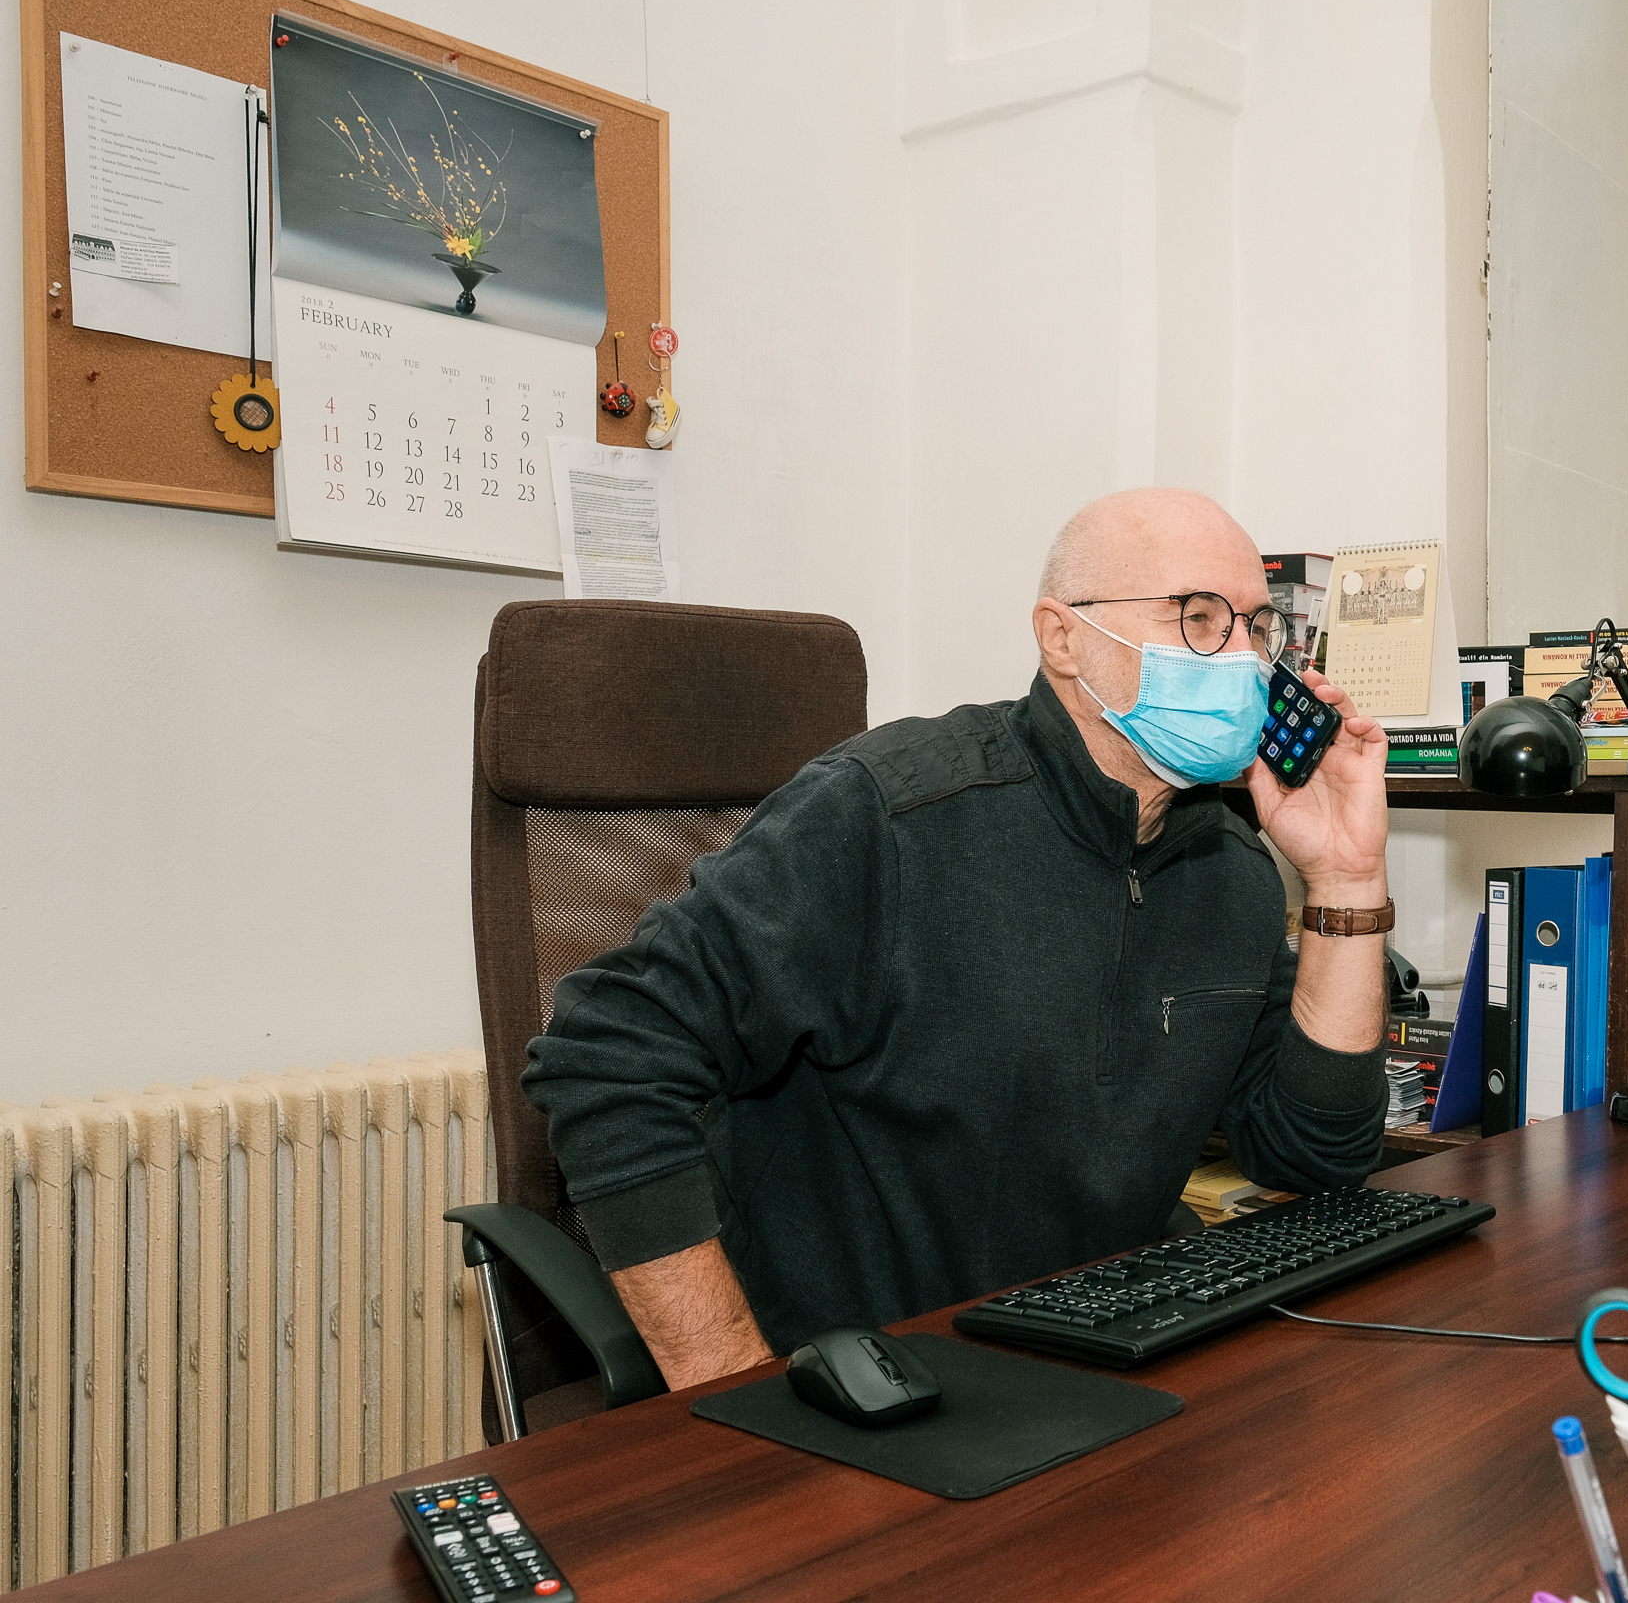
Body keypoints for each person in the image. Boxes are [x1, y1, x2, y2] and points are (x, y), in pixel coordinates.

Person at [524, 489, 1394, 1388]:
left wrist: (1346, 881)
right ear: (1062, 637)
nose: (1244, 659)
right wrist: (732, 1387)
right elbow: (605, 1053)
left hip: (1093, 1354)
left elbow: (1314, 1155)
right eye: (1199, 618)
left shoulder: (1230, 868)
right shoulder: (888, 814)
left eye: (1259, 627)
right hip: (864, 1379)